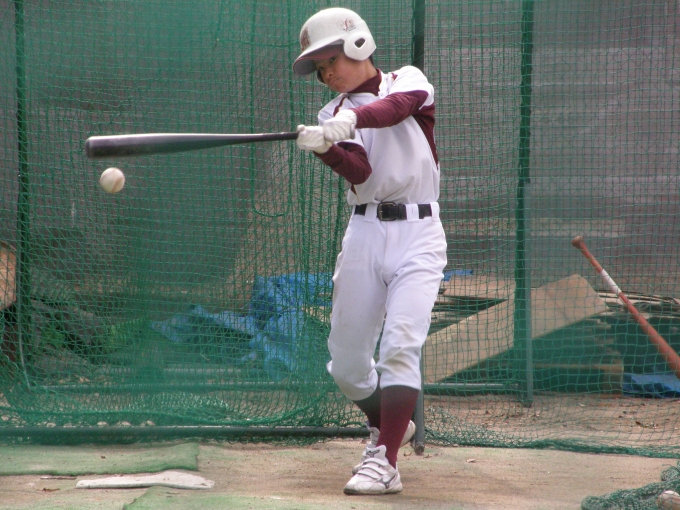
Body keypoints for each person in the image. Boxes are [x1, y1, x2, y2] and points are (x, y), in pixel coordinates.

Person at [292, 7, 447, 495]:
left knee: (400, 345)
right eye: (319, 69)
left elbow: (396, 109)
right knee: (347, 366)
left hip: (420, 232)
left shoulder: (407, 80)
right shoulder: (331, 113)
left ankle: (386, 461)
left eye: (331, 60)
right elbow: (359, 171)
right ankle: (392, 423)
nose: (327, 73)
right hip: (364, 232)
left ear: (358, 44)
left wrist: (351, 120)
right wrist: (325, 147)